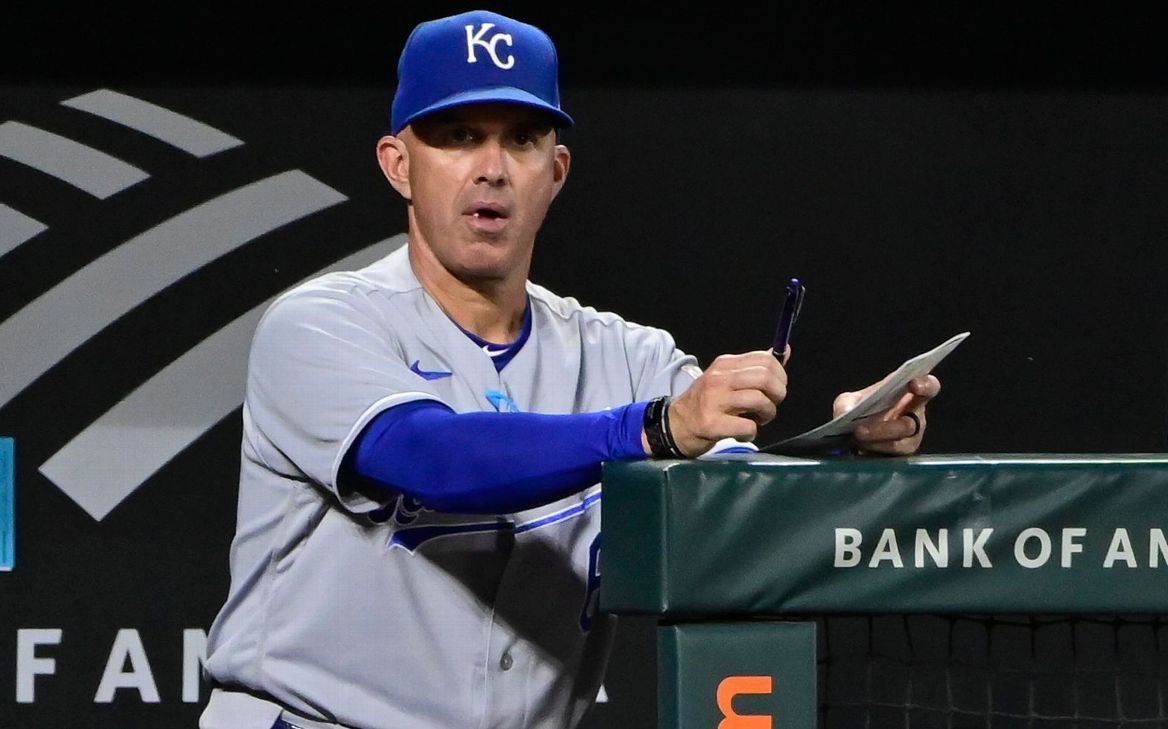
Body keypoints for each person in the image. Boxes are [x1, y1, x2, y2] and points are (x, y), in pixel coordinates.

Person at [200, 9, 940, 729]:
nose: (491, 169)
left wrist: (843, 450)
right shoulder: (322, 323)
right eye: (458, 137)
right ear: (399, 165)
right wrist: (657, 427)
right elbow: (431, 459)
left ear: (555, 171)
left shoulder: (628, 357)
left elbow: (733, 518)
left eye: (521, 140)